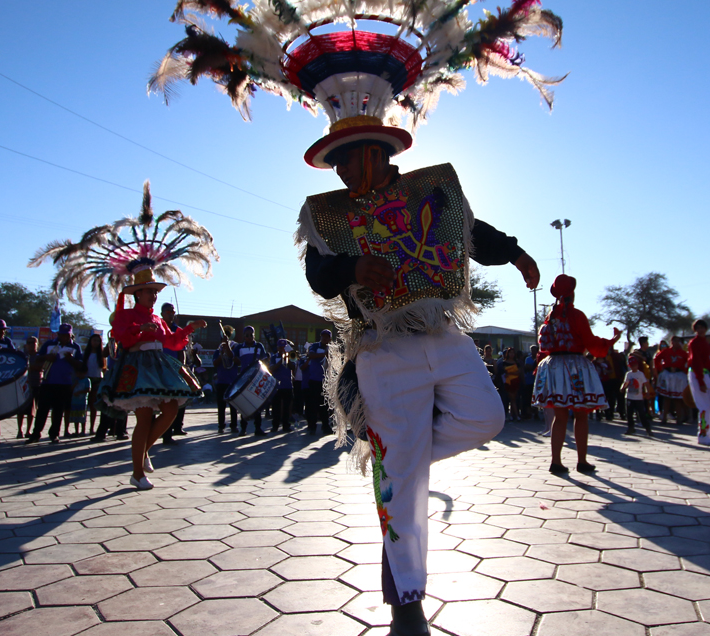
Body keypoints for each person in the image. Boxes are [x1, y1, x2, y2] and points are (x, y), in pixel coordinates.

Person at [153, 3, 562, 631]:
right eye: (337, 163)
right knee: (402, 489)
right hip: (380, 348)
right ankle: (407, 606)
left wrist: (517, 254)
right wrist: (351, 269)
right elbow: (318, 277)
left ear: (377, 151)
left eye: (350, 159)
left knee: (487, 418)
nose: (343, 171)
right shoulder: (326, 216)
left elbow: (471, 234)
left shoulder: (432, 192)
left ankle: (398, 457)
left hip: (442, 334)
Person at [101, 268, 206, 489]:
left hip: (158, 366)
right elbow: (122, 337)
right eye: (149, 291)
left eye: (155, 292)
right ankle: (137, 473)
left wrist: (190, 328)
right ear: (138, 293)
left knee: (170, 409)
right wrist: (140, 328)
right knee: (144, 418)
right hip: (139, 368)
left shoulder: (158, 319)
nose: (153, 295)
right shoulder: (126, 315)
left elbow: (172, 341)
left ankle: (144, 451)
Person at [533, 275, 618, 472]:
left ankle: (556, 461)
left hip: (554, 367)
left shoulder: (550, 318)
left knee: (560, 416)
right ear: (572, 294)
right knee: (581, 415)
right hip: (575, 367)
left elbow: (544, 347)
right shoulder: (577, 316)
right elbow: (591, 343)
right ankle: (582, 461)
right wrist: (611, 341)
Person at [25, 324, 84, 444]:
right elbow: (38, 358)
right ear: (58, 334)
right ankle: (36, 434)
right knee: (42, 409)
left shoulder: (75, 346)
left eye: (67, 335)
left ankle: (54, 434)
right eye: (62, 335)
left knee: (58, 410)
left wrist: (70, 359)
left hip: (65, 383)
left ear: (70, 335)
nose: (64, 337)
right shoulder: (49, 344)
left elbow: (81, 365)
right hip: (48, 381)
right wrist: (47, 357)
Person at [160, 302, 190, 444]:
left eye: (172, 311)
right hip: (158, 369)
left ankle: (167, 435)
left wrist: (181, 368)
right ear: (162, 313)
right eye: (168, 311)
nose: (171, 314)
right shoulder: (157, 328)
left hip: (173, 370)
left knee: (171, 403)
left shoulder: (178, 330)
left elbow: (181, 352)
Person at [688, 319, 710, 446]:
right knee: (704, 406)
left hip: (705, 373)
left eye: (702, 327)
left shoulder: (705, 343)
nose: (700, 330)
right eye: (698, 328)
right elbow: (696, 361)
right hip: (697, 374)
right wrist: (700, 381)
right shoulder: (694, 343)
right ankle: (703, 434)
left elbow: (706, 362)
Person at [233, 325, 269, 436]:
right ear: (244, 336)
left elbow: (264, 361)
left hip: (256, 378)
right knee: (244, 404)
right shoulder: (239, 347)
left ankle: (258, 428)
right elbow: (234, 359)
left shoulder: (259, 346)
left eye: (251, 335)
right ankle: (243, 428)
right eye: (247, 335)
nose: (249, 337)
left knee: (257, 403)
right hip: (244, 378)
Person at [303, 329, 333, 436]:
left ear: (330, 339)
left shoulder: (332, 348)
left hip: (326, 381)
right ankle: (312, 426)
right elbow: (310, 355)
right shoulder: (315, 346)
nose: (324, 338)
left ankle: (326, 426)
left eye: (327, 337)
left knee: (324, 405)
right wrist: (324, 354)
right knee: (313, 405)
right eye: (323, 336)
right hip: (314, 380)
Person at [655, 336, 689, 425]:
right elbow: (657, 359)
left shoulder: (683, 353)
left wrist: (685, 371)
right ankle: (664, 418)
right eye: (675, 341)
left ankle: (679, 419)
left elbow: (689, 362)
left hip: (679, 375)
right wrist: (660, 369)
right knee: (667, 398)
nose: (676, 343)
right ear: (671, 342)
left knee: (678, 398)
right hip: (667, 375)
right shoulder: (666, 351)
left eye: (678, 341)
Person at [212, 325, 238, 434]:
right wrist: (221, 353)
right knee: (221, 406)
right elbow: (215, 363)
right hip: (221, 381)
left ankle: (234, 426)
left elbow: (233, 357)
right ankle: (221, 426)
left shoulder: (235, 346)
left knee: (233, 406)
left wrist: (227, 346)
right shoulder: (218, 349)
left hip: (232, 381)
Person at [621, 352, 653, 436]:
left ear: (637, 365)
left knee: (642, 414)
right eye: (632, 366)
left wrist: (648, 392)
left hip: (638, 398)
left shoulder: (640, 374)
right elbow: (626, 382)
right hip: (629, 396)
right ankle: (631, 428)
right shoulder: (628, 374)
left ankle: (647, 428)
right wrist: (622, 388)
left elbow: (646, 383)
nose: (633, 367)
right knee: (629, 414)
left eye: (635, 365)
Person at [268, 339, 296, 433]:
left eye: (284, 347)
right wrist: (281, 360)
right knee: (276, 407)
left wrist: (287, 359)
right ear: (278, 348)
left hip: (287, 385)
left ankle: (286, 425)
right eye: (280, 347)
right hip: (277, 386)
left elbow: (293, 367)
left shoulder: (291, 355)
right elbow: (271, 368)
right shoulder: (274, 356)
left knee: (287, 407)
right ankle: (275, 425)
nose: (282, 349)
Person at [83, 333, 107, 434]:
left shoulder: (102, 355)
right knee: (84, 404)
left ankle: (92, 428)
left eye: (98, 341)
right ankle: (82, 428)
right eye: (94, 340)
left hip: (97, 380)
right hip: (86, 379)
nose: (95, 342)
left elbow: (104, 369)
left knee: (93, 405)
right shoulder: (86, 354)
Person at [20, 336, 42, 438]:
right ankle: (19, 430)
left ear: (37, 344)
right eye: (29, 342)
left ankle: (28, 430)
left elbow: (40, 367)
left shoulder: (39, 356)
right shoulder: (23, 356)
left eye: (33, 342)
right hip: (23, 385)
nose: (31, 344)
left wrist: (28, 367)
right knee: (21, 409)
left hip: (35, 383)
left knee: (32, 409)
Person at [496, 347, 522, 421]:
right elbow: (503, 372)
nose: (512, 354)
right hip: (508, 382)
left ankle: (512, 415)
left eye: (513, 353)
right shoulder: (504, 362)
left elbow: (518, 372)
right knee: (512, 398)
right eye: (510, 352)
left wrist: (510, 373)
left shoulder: (517, 362)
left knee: (514, 398)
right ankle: (516, 415)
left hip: (515, 381)